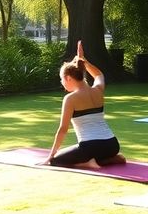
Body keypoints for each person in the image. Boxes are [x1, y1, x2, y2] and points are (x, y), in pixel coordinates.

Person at [44, 40, 126, 168]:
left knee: (57, 161)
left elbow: (63, 129)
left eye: (62, 79)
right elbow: (99, 74)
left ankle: (89, 163)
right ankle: (109, 159)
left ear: (69, 78)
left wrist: (51, 155)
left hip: (89, 148)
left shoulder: (70, 99)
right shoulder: (98, 90)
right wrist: (83, 61)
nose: (62, 83)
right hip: (112, 145)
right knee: (97, 152)